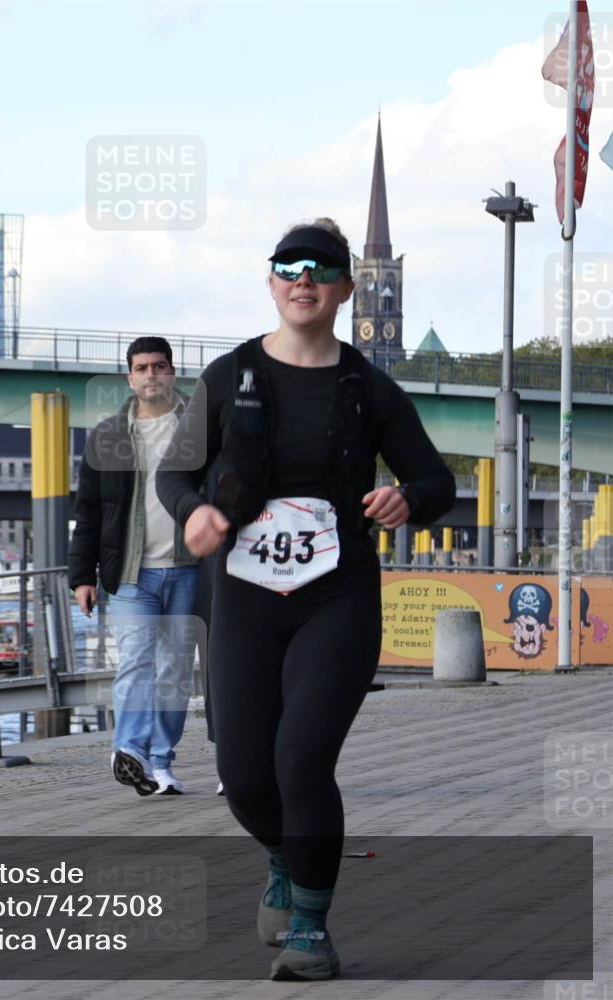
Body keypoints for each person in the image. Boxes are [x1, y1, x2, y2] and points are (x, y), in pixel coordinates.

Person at [157, 219, 455, 980]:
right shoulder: (229, 377)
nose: (302, 279)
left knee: (301, 761)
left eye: (319, 269)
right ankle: (286, 862)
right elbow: (176, 473)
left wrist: (404, 499)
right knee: (247, 774)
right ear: (271, 283)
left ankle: (312, 930)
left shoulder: (368, 386)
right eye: (287, 268)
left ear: (345, 290)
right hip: (245, 597)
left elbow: (435, 483)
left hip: (338, 598)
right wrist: (195, 510)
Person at [69, 336, 199, 796]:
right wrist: (82, 576)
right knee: (136, 663)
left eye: (159, 366)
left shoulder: (201, 428)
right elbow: (88, 511)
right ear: (129, 376)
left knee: (175, 672)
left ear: (172, 372)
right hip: (130, 573)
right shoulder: (107, 435)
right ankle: (130, 751)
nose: (151, 375)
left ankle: (161, 761)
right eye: (142, 367)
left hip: (189, 569)